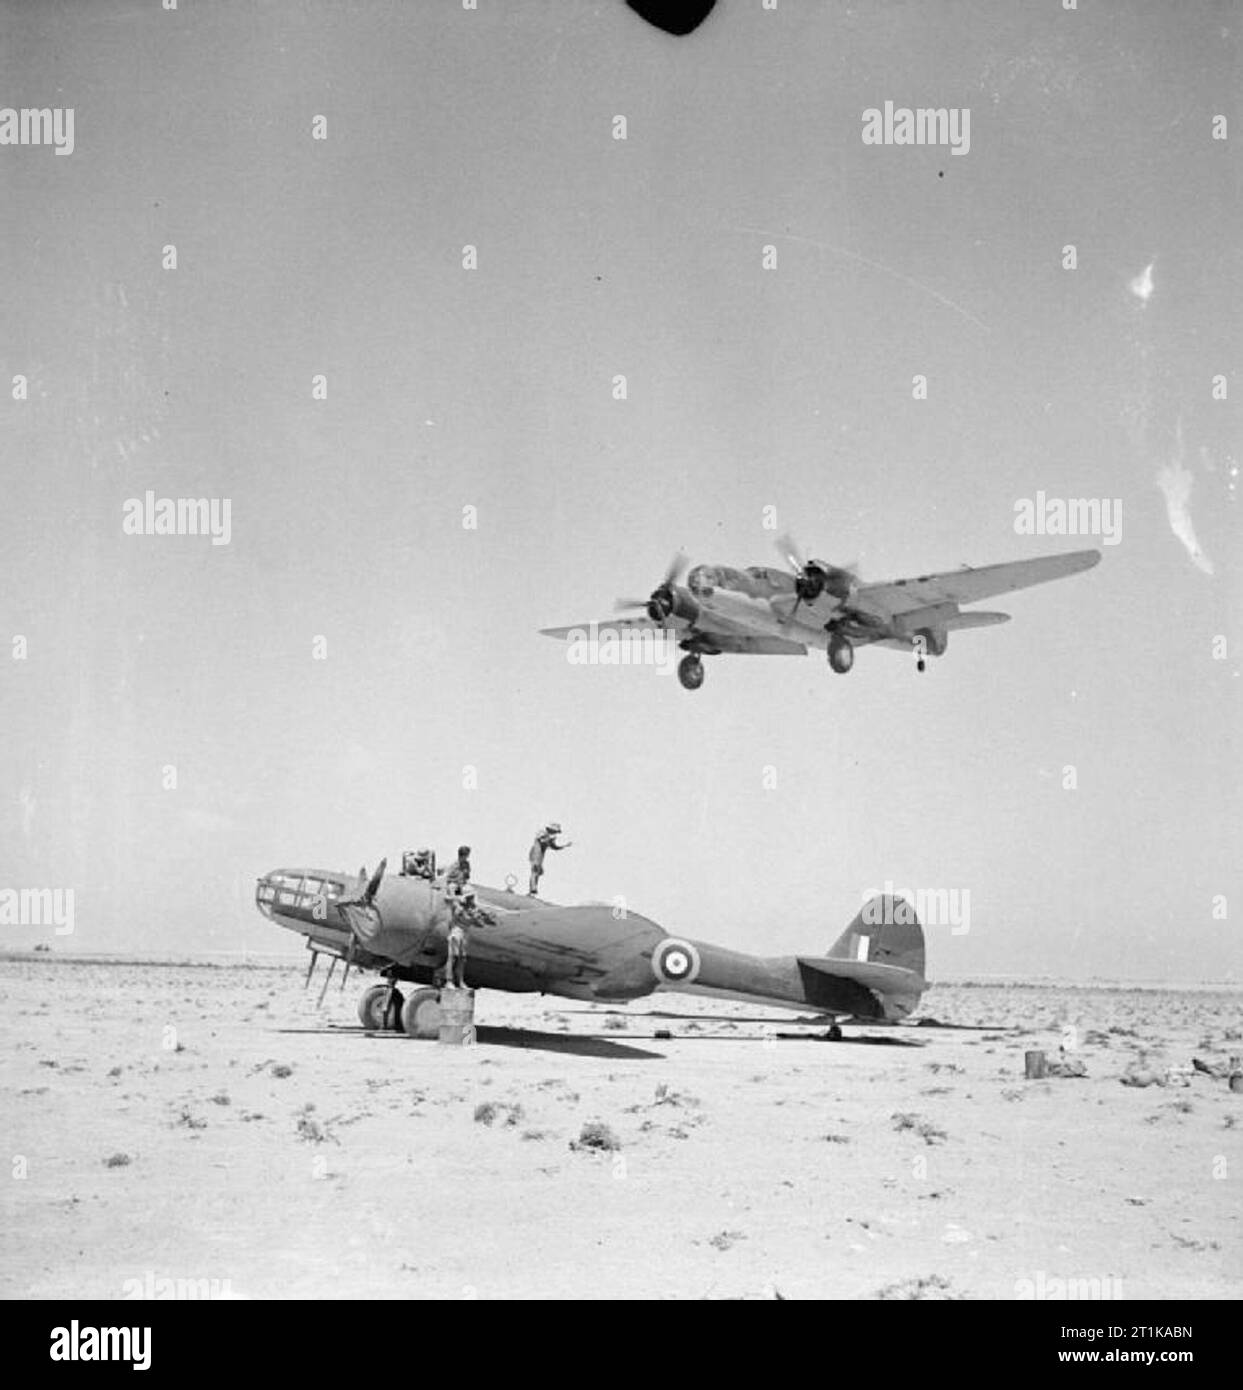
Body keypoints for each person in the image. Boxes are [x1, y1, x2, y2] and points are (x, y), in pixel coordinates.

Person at [528, 822, 573, 896]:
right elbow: (542, 840)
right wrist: (549, 839)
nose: (556, 833)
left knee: (538, 872)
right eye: (555, 831)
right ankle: (533, 889)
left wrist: (564, 846)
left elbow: (554, 847)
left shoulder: (551, 837)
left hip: (540, 856)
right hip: (535, 854)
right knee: (535, 871)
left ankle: (533, 889)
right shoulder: (542, 833)